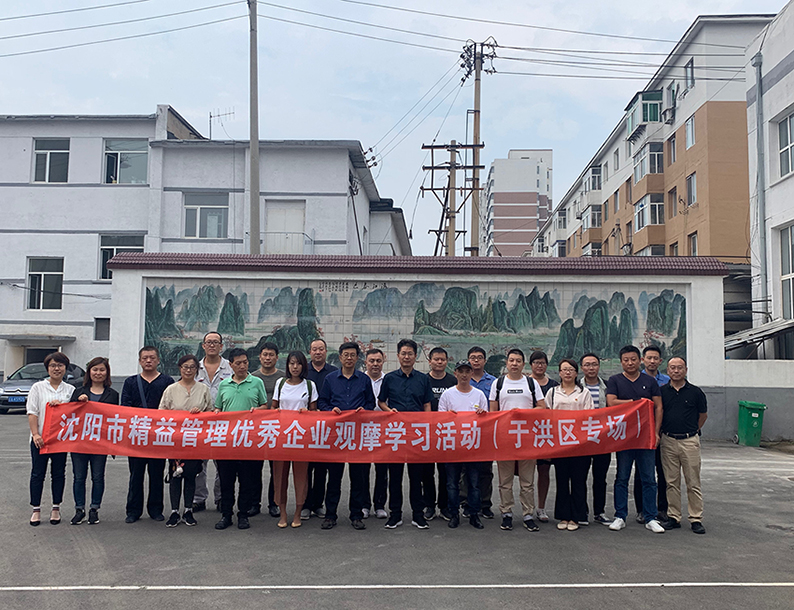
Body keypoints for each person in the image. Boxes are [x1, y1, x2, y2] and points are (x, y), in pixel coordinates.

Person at [607, 345, 665, 534]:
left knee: (649, 478)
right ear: (621, 362)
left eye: (633, 359)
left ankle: (650, 517)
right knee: (622, 477)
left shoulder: (649, 381)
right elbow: (611, 402)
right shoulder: (615, 380)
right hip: (624, 437)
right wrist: (636, 403)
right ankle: (620, 516)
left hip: (645, 437)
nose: (630, 363)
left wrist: (656, 432)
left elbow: (658, 407)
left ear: (640, 360)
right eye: (626, 360)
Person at [318, 342, 375, 530]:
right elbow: (322, 402)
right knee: (334, 478)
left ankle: (356, 515)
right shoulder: (330, 379)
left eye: (352, 355)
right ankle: (330, 515)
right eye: (346, 355)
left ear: (357, 358)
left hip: (357, 435)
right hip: (336, 435)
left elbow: (370, 403)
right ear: (340, 357)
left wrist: (364, 410)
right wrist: (330, 410)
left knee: (358, 478)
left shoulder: (364, 379)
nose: (349, 358)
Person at [378, 338, 433, 529]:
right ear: (398, 356)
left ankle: (418, 514)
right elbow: (381, 401)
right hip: (396, 433)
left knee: (416, 477)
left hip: (416, 434)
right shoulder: (390, 378)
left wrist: (426, 425)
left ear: (415, 356)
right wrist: (389, 411)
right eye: (403, 353)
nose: (406, 357)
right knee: (395, 476)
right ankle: (395, 514)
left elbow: (427, 404)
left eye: (410, 354)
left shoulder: (423, 379)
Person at [489, 348, 547, 532]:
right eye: (511, 360)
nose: (514, 364)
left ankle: (528, 514)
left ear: (523, 364)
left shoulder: (531, 383)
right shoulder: (498, 383)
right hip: (505, 439)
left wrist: (524, 413)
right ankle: (506, 513)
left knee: (527, 481)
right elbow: (493, 412)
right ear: (507, 363)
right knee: (505, 481)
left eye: (518, 361)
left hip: (527, 439)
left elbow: (542, 407)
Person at [213, 348, 268, 530]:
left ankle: (243, 515)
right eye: (238, 363)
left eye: (245, 362)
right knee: (226, 481)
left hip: (249, 441)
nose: (242, 366)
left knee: (247, 481)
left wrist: (257, 410)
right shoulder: (224, 384)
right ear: (230, 365)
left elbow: (264, 406)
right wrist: (215, 413)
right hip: (227, 442)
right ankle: (226, 515)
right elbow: (218, 408)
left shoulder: (256, 382)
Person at [120, 346, 175, 524]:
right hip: (137, 436)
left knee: (156, 474)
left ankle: (156, 509)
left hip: (159, 436)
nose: (148, 361)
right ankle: (133, 511)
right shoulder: (130, 382)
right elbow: (125, 407)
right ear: (139, 361)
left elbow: (171, 406)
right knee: (135, 475)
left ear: (158, 360)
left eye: (152, 358)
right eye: (145, 358)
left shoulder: (167, 381)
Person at [159, 354, 213, 527]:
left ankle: (188, 510)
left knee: (191, 474)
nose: (188, 370)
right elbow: (161, 412)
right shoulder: (171, 389)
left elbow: (211, 412)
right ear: (180, 368)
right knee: (175, 474)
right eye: (185, 367)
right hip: (175, 439)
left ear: (197, 369)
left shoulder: (203, 389)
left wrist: (201, 414)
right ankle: (174, 511)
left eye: (192, 367)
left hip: (195, 439)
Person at [27, 352, 76, 526]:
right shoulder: (38, 387)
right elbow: (32, 412)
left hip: (60, 441)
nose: (57, 369)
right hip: (40, 440)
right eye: (53, 365)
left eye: (60, 365)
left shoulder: (70, 390)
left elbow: (75, 413)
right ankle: (36, 509)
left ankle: (56, 507)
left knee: (58, 474)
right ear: (47, 368)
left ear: (65, 368)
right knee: (37, 474)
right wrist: (35, 434)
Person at [438, 360, 489, 529]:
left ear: (472, 373)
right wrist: (448, 415)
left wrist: (482, 414)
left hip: (473, 446)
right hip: (452, 445)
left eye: (468, 371)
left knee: (474, 483)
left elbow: (486, 420)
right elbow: (439, 419)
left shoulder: (479, 395)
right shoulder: (448, 395)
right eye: (461, 371)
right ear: (456, 374)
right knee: (452, 484)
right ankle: (454, 514)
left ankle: (474, 514)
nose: (464, 375)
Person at [270, 350, 318, 528]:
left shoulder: (310, 385)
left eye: (298, 363)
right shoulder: (280, 383)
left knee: (301, 476)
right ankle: (283, 513)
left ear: (303, 366)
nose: (295, 367)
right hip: (281, 437)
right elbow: (273, 407)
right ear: (287, 365)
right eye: (291, 363)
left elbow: (315, 412)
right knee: (279, 475)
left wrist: (307, 413)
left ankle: (298, 513)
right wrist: (276, 412)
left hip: (301, 437)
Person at [660, 357, 708, 534]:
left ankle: (695, 518)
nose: (676, 371)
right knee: (671, 482)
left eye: (679, 368)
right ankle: (674, 517)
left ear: (686, 370)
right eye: (672, 368)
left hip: (689, 441)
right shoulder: (662, 392)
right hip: (668, 441)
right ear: (667, 370)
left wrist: (693, 430)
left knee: (693, 482)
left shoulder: (696, 392)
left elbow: (703, 415)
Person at [69, 356, 119, 526]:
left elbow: (116, 419)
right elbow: (69, 415)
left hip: (100, 444)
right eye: (95, 369)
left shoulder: (113, 395)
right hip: (79, 443)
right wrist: (78, 402)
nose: (98, 373)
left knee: (98, 477)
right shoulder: (78, 392)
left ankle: (94, 509)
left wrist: (113, 445)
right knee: (79, 477)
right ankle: (79, 510)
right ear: (89, 372)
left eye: (102, 370)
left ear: (107, 373)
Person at [546, 359, 594, 531]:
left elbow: (589, 417)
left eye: (571, 369)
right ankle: (564, 515)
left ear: (576, 373)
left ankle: (577, 516)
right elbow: (547, 415)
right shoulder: (553, 392)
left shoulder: (584, 392)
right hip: (560, 444)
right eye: (564, 369)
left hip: (580, 444)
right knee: (562, 480)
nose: (567, 372)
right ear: (559, 372)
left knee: (579, 480)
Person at [193, 331, 232, 513]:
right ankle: (198, 498)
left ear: (221, 346)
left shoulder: (229, 367)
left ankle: (221, 497)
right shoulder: (195, 367)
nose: (212, 345)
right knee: (199, 464)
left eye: (215, 342)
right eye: (208, 342)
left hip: (222, 424)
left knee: (222, 464)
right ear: (203, 345)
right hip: (199, 423)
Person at [633, 345, 670, 523]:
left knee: (663, 473)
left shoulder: (667, 381)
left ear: (660, 361)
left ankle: (662, 509)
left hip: (663, 433)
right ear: (643, 360)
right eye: (649, 358)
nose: (652, 361)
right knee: (642, 473)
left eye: (656, 358)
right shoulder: (636, 379)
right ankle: (641, 510)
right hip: (641, 434)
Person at [302, 338, 338, 520]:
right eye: (314, 349)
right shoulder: (303, 371)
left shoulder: (334, 372)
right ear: (310, 352)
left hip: (326, 427)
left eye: (321, 349)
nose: (318, 352)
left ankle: (318, 504)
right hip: (305, 427)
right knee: (306, 468)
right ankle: (305, 504)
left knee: (322, 469)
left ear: (325, 351)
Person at [463, 346, 496, 520]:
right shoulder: (462, 380)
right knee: (465, 470)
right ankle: (466, 503)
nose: (476, 360)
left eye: (479, 357)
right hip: (465, 432)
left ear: (485, 361)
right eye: (473, 357)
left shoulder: (493, 381)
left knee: (485, 470)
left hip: (485, 432)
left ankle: (485, 503)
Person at [251, 342, 282, 519]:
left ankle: (274, 503)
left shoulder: (283, 378)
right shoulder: (253, 378)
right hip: (257, 429)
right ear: (260, 357)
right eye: (265, 355)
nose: (268, 358)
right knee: (254, 469)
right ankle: (254, 503)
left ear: (277, 358)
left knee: (276, 469)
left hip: (278, 429)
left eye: (271, 355)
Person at [425, 346, 456, 521]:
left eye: (442, 359)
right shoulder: (423, 380)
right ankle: (429, 505)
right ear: (430, 361)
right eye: (436, 359)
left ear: (446, 361)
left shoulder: (453, 381)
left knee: (446, 473)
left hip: (447, 434)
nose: (439, 362)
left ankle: (444, 506)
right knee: (427, 473)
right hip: (428, 434)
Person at [580, 353, 611, 525]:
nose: (591, 368)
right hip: (581, 439)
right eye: (587, 365)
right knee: (580, 476)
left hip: (602, 438)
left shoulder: (608, 387)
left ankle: (599, 512)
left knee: (600, 477)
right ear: (582, 368)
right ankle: (582, 512)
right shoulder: (576, 387)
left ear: (599, 366)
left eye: (594, 364)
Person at [528, 350, 558, 523]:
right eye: (536, 363)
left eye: (542, 363)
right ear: (530, 365)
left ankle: (541, 507)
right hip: (526, 433)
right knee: (525, 473)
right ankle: (527, 507)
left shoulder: (554, 386)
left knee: (544, 470)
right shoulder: (525, 383)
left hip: (546, 434)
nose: (539, 366)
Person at [365, 348, 389, 519]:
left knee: (382, 470)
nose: (375, 364)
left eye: (378, 361)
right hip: (363, 430)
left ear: (383, 361)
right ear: (366, 362)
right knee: (362, 470)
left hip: (384, 430)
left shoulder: (389, 380)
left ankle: (379, 505)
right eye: (372, 361)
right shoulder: (360, 379)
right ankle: (364, 505)